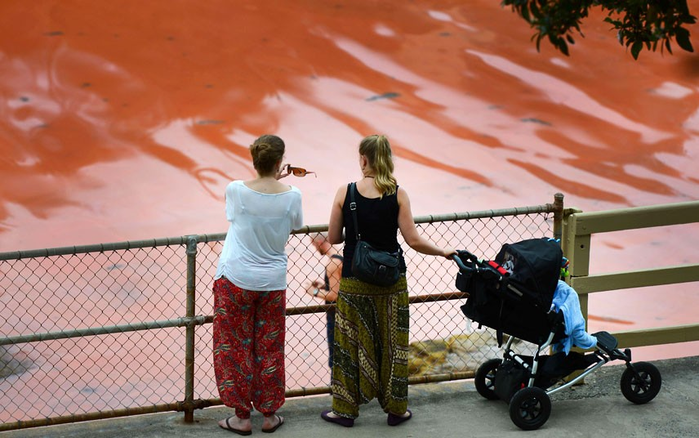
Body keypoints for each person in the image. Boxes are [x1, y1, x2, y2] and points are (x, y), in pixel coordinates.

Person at [321, 134, 456, 428]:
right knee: (394, 345)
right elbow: (414, 240)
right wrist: (444, 251)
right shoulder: (398, 194)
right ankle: (395, 410)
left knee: (348, 344)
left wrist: (355, 231)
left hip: (355, 281)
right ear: (388, 159)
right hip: (392, 283)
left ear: (364, 159)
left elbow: (333, 238)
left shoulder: (346, 192)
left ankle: (344, 411)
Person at [212, 134, 303, 435]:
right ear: (280, 162)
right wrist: (279, 182)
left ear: (254, 161)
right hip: (272, 281)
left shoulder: (235, 190)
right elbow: (296, 225)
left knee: (233, 347)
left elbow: (233, 216)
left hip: (235, 278)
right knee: (270, 346)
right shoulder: (293, 195)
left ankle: (241, 416)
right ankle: (269, 414)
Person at [304, 233, 343, 369]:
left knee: (335, 359)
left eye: (314, 244)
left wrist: (313, 292)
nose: (315, 248)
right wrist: (324, 286)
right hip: (346, 313)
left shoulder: (332, 263)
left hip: (336, 316)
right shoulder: (342, 255)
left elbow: (334, 295)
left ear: (320, 242)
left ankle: (335, 387)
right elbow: (339, 285)